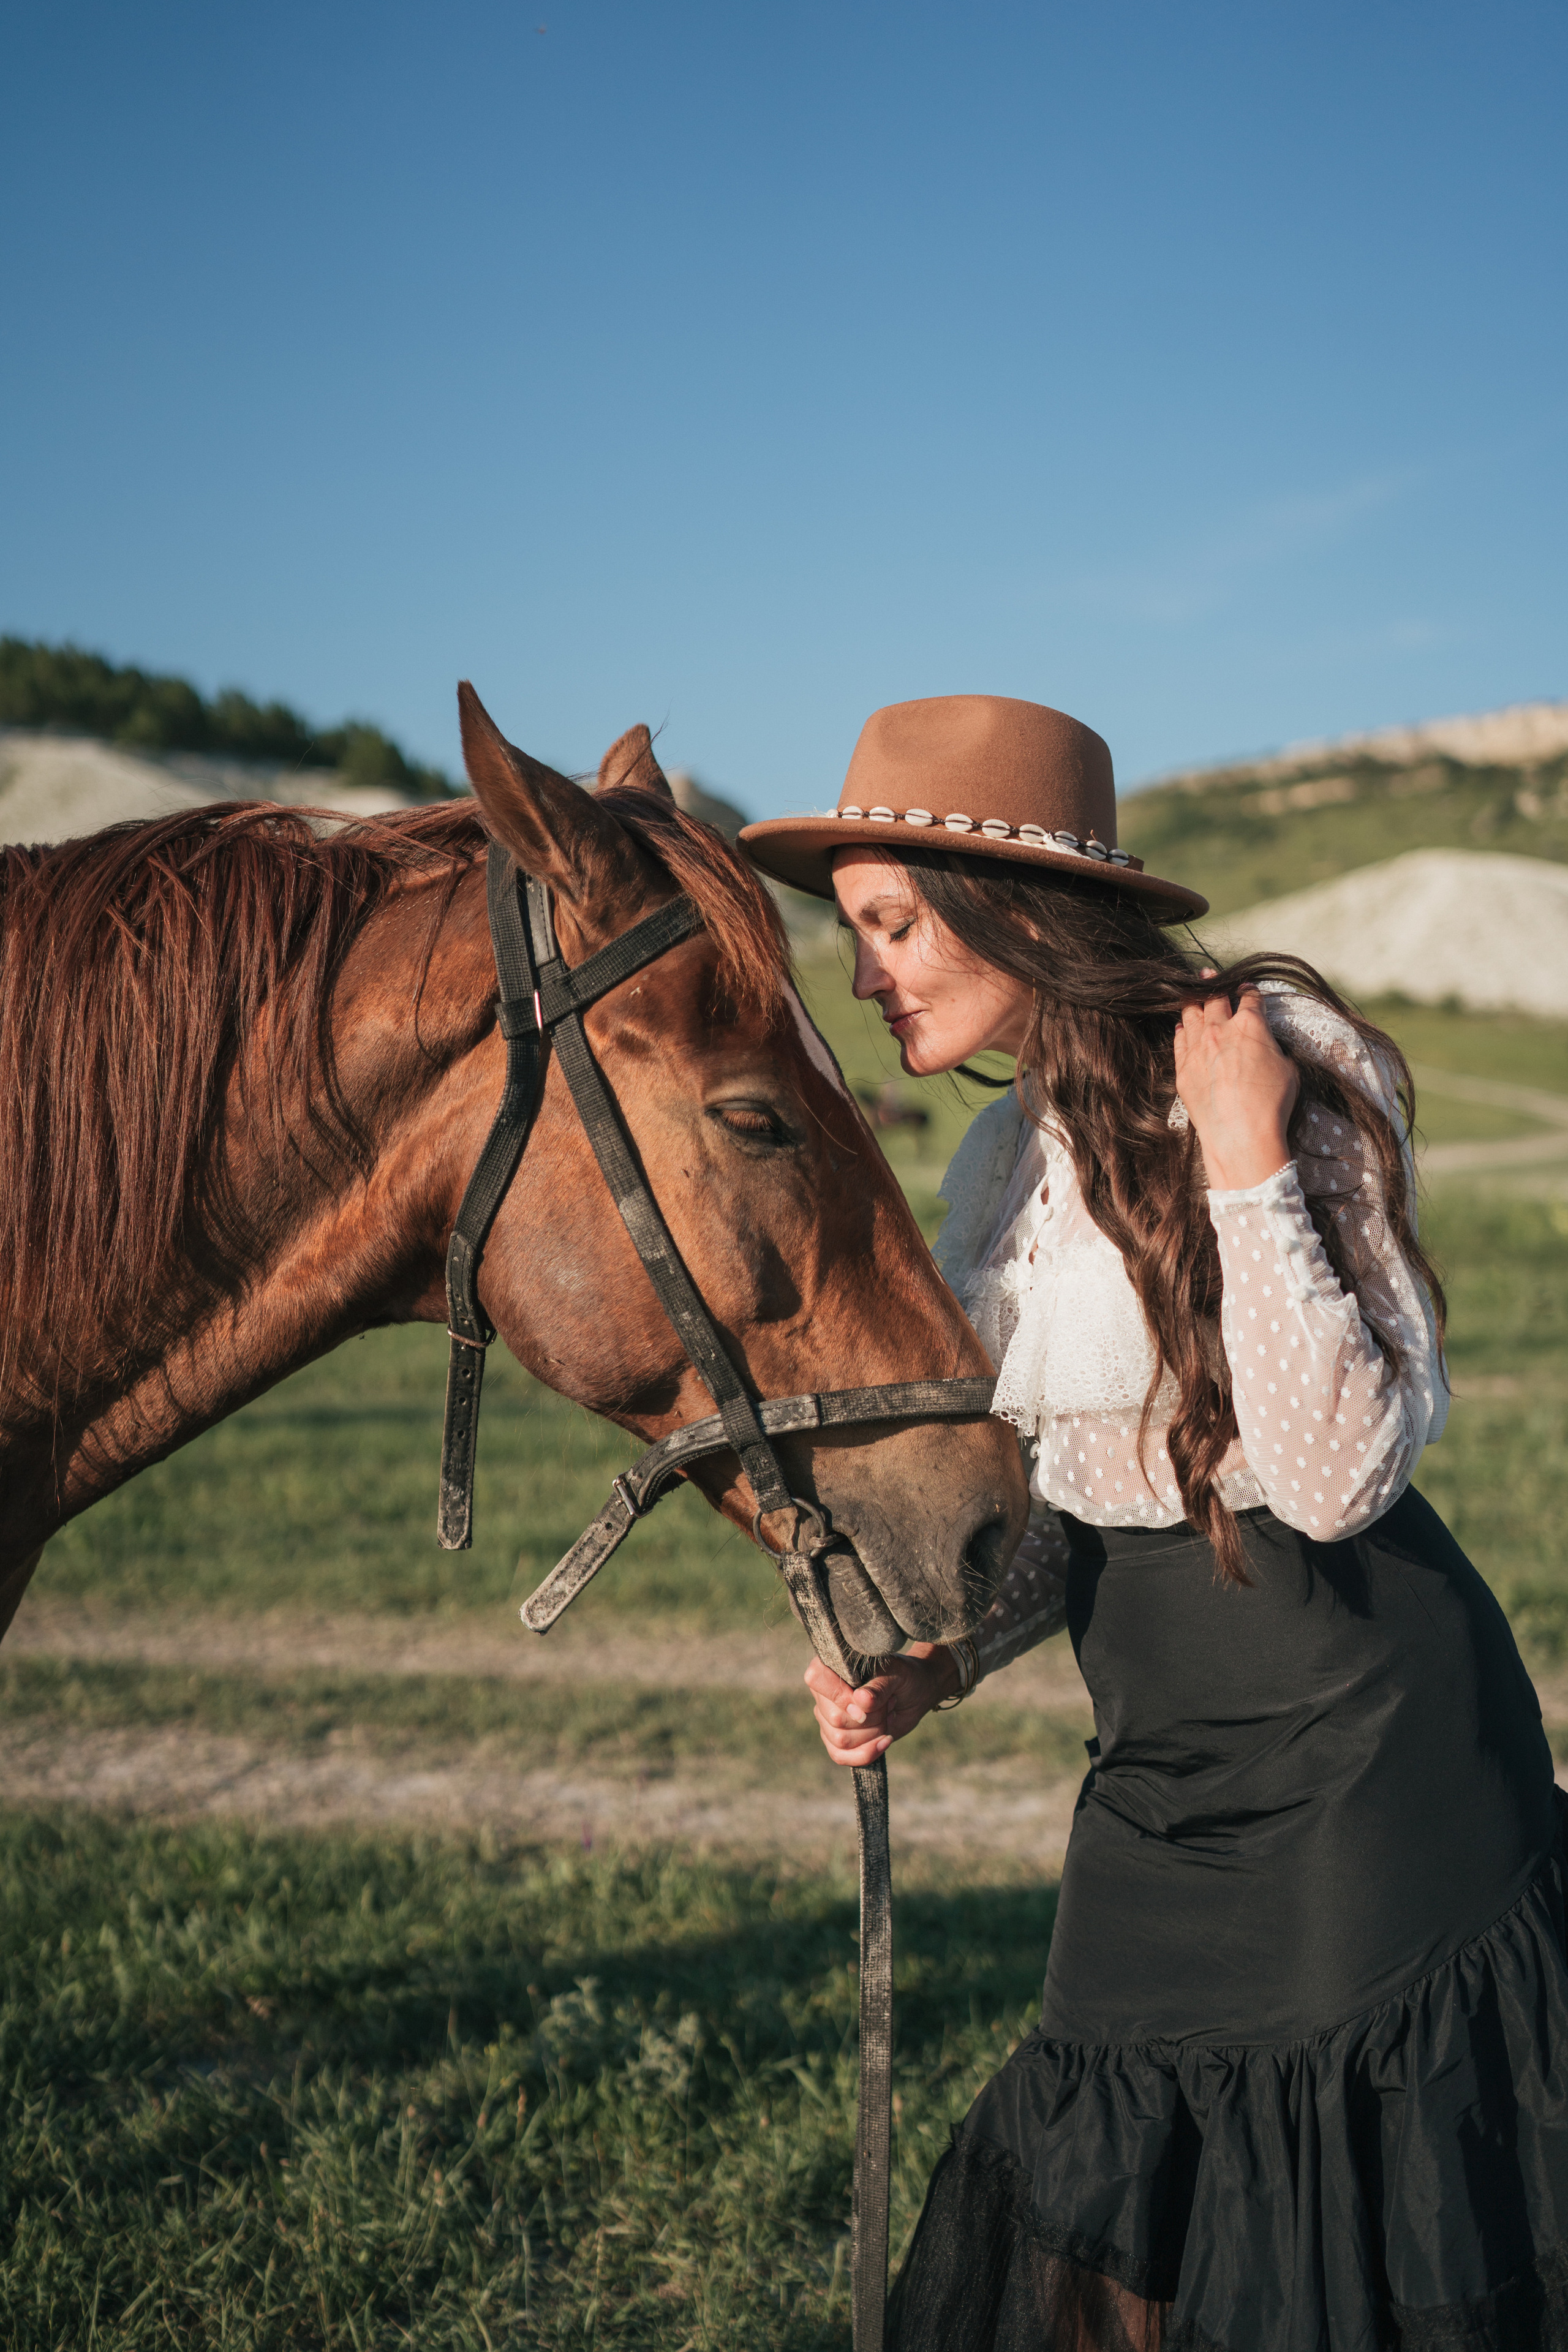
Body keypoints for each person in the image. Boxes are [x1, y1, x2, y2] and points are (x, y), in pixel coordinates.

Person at [739, 696, 1568, 2352]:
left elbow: (1335, 1480)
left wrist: (1247, 1155)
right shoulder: (993, 1167)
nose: (866, 970)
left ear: (1011, 904)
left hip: (1373, 1757)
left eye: (891, 923)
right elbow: (1079, 1509)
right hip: (1157, 1780)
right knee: (1114, 2203)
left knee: (1342, 2226)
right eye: (857, 935)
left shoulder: (1280, 1063)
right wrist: (938, 1664)